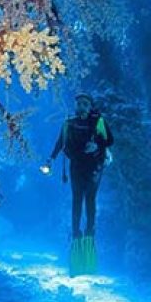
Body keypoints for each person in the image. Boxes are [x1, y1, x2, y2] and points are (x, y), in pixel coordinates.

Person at [43, 93, 114, 239]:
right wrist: (50, 159)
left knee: (90, 198)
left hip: (94, 166)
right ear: (75, 105)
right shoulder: (69, 123)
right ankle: (76, 232)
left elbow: (110, 140)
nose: (81, 106)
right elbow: (60, 143)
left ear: (90, 107)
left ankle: (90, 230)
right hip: (76, 165)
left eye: (85, 104)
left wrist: (96, 146)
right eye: (79, 103)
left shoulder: (97, 121)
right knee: (77, 198)